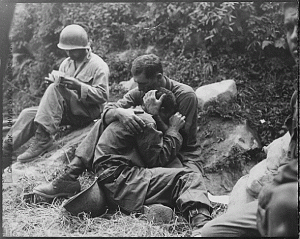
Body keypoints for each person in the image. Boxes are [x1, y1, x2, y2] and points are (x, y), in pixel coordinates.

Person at [34, 88, 213, 229]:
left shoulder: (129, 114)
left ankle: (147, 210)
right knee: (188, 177)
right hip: (124, 181)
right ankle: (201, 226)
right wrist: (173, 130)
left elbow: (108, 112)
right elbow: (157, 159)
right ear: (163, 111)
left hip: (110, 179)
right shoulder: (146, 121)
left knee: (171, 178)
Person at [200, 2, 298, 237]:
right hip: (286, 192)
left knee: (283, 203)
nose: (295, 36)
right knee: (213, 233)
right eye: (289, 27)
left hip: (289, 199)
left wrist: (278, 187)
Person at [2, 24, 109, 168]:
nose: (69, 54)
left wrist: (78, 85)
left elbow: (102, 96)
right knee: (28, 113)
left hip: (87, 113)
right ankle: (6, 148)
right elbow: (60, 92)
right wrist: (56, 81)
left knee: (55, 88)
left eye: (73, 51)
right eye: (67, 51)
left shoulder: (98, 65)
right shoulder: (67, 63)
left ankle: (43, 139)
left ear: (83, 47)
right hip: (69, 111)